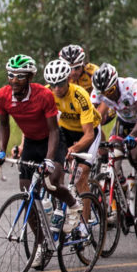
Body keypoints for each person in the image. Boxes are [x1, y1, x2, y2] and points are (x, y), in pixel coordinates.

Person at [0, 55, 84, 235]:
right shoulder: (2, 96)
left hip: (52, 141)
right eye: (11, 75)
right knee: (27, 193)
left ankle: (73, 204)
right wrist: (1, 152)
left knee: (52, 181)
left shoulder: (43, 95)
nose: (14, 80)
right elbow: (4, 125)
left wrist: (49, 160)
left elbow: (53, 131)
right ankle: (41, 245)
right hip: (31, 143)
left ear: (30, 77)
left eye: (20, 76)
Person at [91, 63, 137, 221]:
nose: (107, 96)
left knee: (134, 156)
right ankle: (119, 192)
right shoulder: (98, 93)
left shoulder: (134, 86)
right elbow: (91, 119)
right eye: (104, 93)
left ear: (116, 82)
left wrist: (132, 136)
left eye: (110, 91)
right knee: (112, 157)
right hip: (123, 121)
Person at [44, 58, 98, 212]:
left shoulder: (80, 95)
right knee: (56, 172)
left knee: (80, 177)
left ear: (68, 79)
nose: (56, 89)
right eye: (52, 84)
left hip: (88, 132)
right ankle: (62, 212)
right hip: (64, 131)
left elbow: (89, 135)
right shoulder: (46, 93)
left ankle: (84, 226)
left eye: (60, 84)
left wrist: (74, 149)